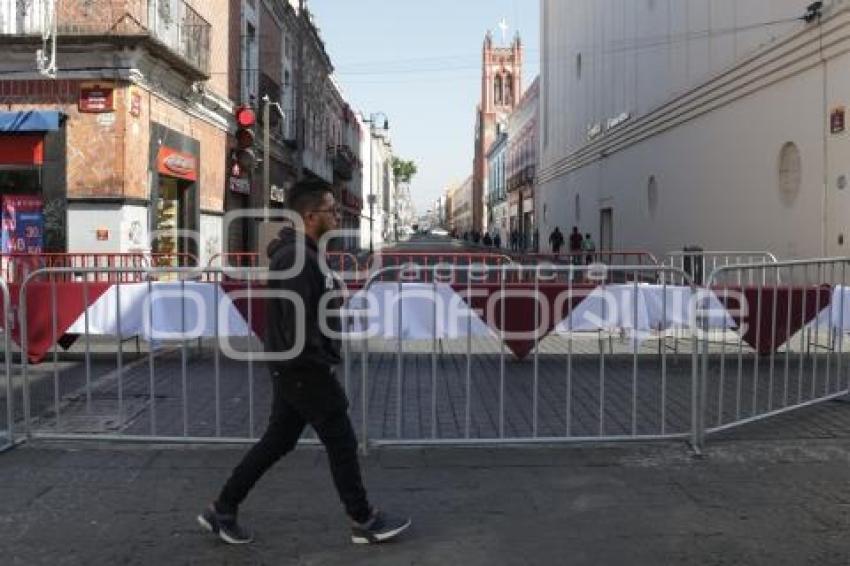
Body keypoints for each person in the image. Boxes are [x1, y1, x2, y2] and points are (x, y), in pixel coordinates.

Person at [199, 179, 411, 545]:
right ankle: (363, 518)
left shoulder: (306, 252)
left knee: (278, 441)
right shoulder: (297, 257)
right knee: (341, 438)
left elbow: (307, 305)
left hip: (296, 364)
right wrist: (315, 361)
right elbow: (292, 321)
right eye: (331, 210)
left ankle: (222, 508)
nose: (337, 215)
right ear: (310, 215)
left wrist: (333, 302)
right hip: (301, 366)